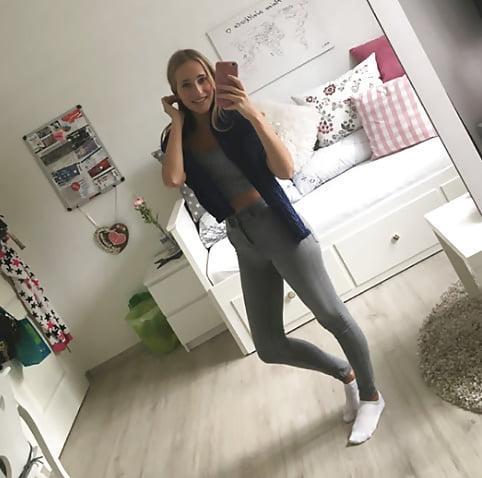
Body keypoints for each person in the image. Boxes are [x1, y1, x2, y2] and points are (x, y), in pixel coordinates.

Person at [160, 49, 385, 445]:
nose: (197, 90)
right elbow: (173, 178)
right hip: (242, 240)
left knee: (332, 315)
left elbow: (285, 169)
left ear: (213, 77)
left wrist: (254, 114)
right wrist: (177, 124)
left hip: (279, 227)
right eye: (185, 85)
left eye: (202, 78)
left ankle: (371, 395)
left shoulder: (237, 118)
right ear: (175, 93)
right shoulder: (179, 137)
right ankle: (345, 373)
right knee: (268, 345)